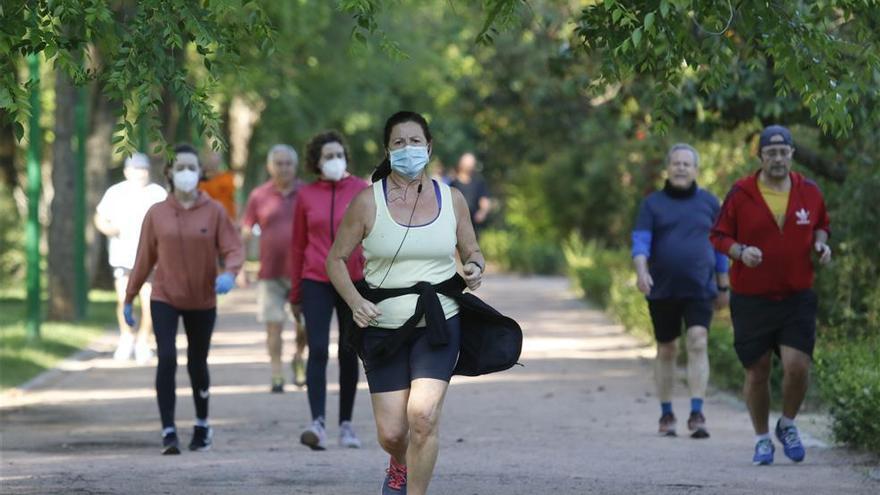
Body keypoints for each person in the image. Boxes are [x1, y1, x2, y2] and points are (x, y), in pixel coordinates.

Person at [326, 111, 487, 495]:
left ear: (428, 148)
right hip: (383, 326)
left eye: (415, 141)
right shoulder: (367, 202)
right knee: (393, 432)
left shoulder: (453, 199)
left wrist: (475, 267)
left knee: (423, 418)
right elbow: (334, 260)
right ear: (387, 150)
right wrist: (353, 301)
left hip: (439, 322)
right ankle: (399, 464)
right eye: (398, 142)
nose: (407, 149)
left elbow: (473, 250)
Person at [711, 125, 831, 466]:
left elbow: (823, 224)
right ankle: (762, 439)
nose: (778, 159)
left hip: (797, 295)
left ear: (792, 154)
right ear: (761, 156)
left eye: (783, 152)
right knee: (757, 370)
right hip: (752, 298)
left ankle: (788, 424)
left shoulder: (809, 191)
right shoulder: (741, 193)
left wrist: (821, 244)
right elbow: (718, 235)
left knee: (798, 366)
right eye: (771, 153)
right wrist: (740, 251)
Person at [124, 144, 244, 455]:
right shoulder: (157, 213)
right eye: (180, 168)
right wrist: (129, 297)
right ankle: (168, 431)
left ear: (200, 173)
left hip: (203, 299)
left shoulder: (214, 211)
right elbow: (143, 259)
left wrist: (230, 273)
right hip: (165, 295)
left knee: (196, 362)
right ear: (169, 173)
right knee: (166, 358)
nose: (186, 173)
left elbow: (232, 248)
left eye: (192, 167)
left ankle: (202, 425)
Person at [631, 143, 730, 439]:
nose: (681, 168)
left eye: (687, 164)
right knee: (667, 349)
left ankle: (697, 413)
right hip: (662, 288)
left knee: (698, 341)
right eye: (676, 163)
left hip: (701, 287)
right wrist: (641, 271)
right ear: (668, 168)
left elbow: (721, 248)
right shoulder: (652, 204)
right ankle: (666, 414)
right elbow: (640, 243)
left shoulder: (711, 203)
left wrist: (724, 285)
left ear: (696, 170)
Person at [289, 131, 368, 450]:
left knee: (349, 351)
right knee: (318, 349)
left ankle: (346, 424)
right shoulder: (306, 196)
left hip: (353, 280)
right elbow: (297, 246)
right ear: (316, 162)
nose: (335, 161)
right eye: (328, 157)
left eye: (339, 155)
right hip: (316, 280)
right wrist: (295, 293)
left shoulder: (362, 190)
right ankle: (317, 423)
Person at [241, 144, 307, 393]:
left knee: (304, 326)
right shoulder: (259, 195)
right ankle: (277, 372)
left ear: (295, 165)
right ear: (270, 166)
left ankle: (299, 357)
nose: (284, 168)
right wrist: (240, 268)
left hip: (302, 272)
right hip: (270, 272)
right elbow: (247, 230)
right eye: (278, 163)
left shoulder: (306, 192)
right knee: (273, 325)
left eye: (288, 163)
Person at [94, 152, 167, 363]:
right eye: (135, 169)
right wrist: (108, 228)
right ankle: (126, 337)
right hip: (122, 256)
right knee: (123, 299)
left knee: (149, 301)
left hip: (151, 258)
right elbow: (100, 217)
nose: (139, 173)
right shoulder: (115, 192)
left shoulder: (157, 193)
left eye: (143, 169)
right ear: (126, 171)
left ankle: (143, 341)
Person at [449, 152, 490, 233]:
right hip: (456, 224)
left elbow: (484, 200)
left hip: (473, 224)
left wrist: (482, 212)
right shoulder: (453, 183)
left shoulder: (479, 182)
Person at [199, 151, 237, 220]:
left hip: (225, 218)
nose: (214, 160)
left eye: (216, 157)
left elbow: (232, 200)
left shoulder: (227, 178)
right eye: (211, 157)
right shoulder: (201, 183)